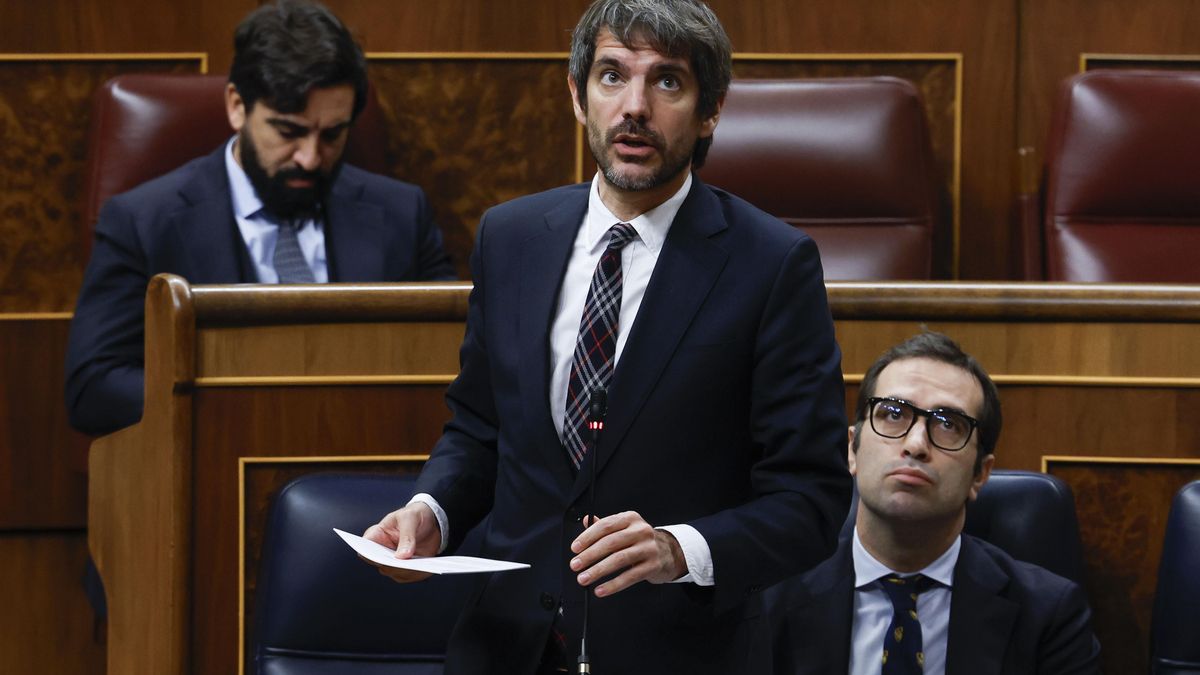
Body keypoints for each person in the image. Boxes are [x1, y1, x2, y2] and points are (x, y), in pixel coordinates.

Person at [362, 0, 850, 672]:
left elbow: (811, 499)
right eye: (613, 76)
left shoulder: (771, 265)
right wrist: (432, 510)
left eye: (668, 81)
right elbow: (480, 427)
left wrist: (681, 548)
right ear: (577, 95)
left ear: (711, 111)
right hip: (507, 646)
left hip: (677, 650)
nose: (636, 107)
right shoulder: (511, 238)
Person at [64, 0, 454, 436]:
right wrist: (258, 406)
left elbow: (453, 364)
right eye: (288, 132)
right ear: (237, 106)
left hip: (372, 456)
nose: (310, 158)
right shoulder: (143, 221)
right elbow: (93, 388)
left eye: (332, 134)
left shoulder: (403, 213)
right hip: (216, 462)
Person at [772, 332, 1101, 674]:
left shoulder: (1049, 615)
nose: (916, 444)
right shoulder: (768, 596)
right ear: (852, 450)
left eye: (948, 424)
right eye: (894, 413)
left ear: (980, 474)